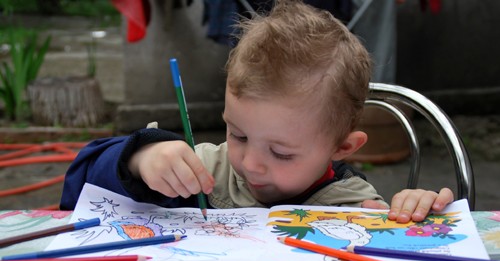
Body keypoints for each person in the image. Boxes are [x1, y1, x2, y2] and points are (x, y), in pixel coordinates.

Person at [60, 0, 453, 224]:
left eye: (281, 153)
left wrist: (416, 211)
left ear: (343, 147)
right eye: (238, 134)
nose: (250, 163)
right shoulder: (205, 172)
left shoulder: (353, 205)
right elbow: (77, 188)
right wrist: (139, 159)